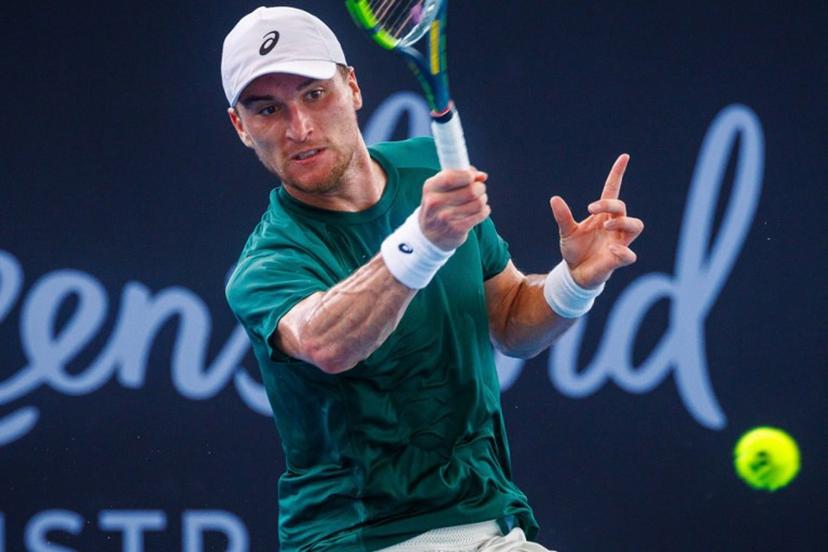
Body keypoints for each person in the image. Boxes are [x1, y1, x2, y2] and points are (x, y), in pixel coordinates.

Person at [221, 6, 643, 552]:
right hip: (362, 539)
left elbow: (510, 320)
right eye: (267, 109)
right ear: (241, 127)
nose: (298, 127)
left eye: (314, 94)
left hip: (488, 519)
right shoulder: (267, 262)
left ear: (352, 88)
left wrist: (576, 282)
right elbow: (326, 342)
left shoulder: (428, 168)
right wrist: (423, 241)